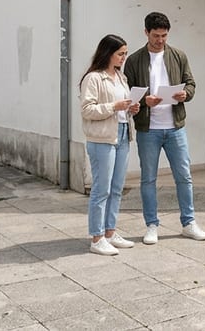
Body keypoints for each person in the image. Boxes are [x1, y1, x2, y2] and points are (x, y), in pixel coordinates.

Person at [125, 12, 205, 244]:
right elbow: (127, 93)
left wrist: (185, 94)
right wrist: (143, 102)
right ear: (146, 33)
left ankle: (188, 223)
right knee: (148, 179)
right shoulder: (134, 60)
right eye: (156, 36)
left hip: (175, 127)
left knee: (184, 176)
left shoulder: (178, 55)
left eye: (164, 35)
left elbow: (190, 83)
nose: (160, 40)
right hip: (147, 129)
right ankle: (152, 225)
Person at [79, 34, 139, 256]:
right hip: (102, 139)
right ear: (108, 53)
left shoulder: (121, 77)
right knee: (101, 189)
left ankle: (110, 233)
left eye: (125, 53)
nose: (124, 57)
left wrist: (130, 109)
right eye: (120, 53)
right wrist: (114, 106)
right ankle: (97, 238)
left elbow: (121, 107)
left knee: (116, 188)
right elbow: (87, 110)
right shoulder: (93, 78)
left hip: (123, 133)